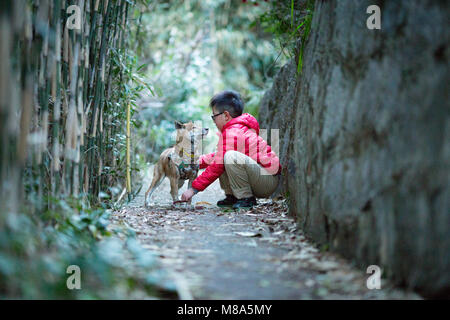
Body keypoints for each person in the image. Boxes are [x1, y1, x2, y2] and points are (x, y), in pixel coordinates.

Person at [181, 90, 282, 209]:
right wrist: (193, 161)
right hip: (262, 177)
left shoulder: (233, 132)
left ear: (226, 115)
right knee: (224, 158)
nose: (213, 121)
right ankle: (233, 196)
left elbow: (216, 166)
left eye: (214, 116)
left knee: (230, 157)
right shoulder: (236, 130)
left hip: (267, 180)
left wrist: (193, 189)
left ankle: (246, 198)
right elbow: (217, 158)